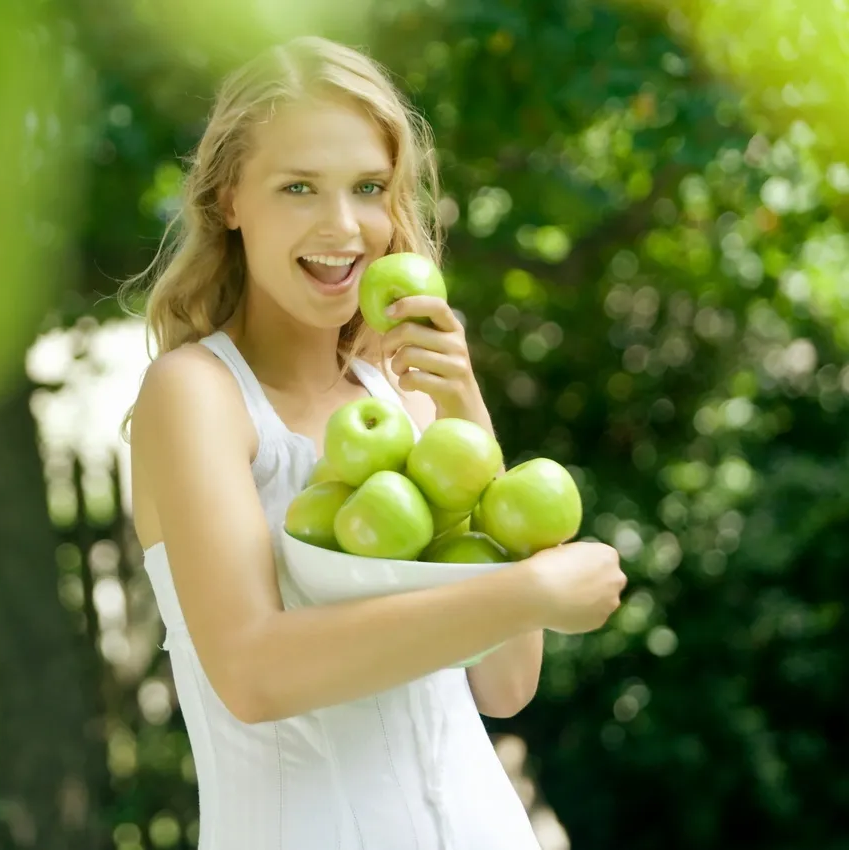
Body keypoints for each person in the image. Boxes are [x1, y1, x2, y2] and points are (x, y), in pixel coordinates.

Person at [121, 35, 627, 850]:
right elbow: (255, 672)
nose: (344, 226)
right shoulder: (196, 394)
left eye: (369, 187)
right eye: (298, 187)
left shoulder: (410, 399)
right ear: (229, 201)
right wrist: (530, 590)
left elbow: (505, 683)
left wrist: (464, 407)